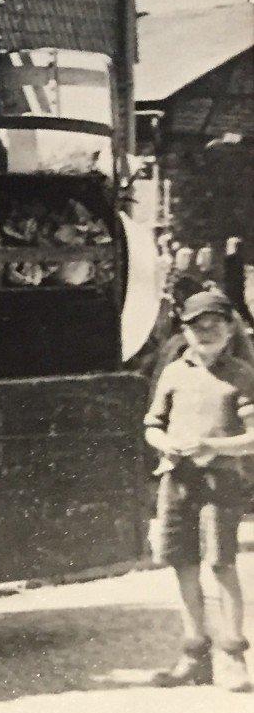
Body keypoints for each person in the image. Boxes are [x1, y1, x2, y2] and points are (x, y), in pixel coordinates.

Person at [143, 289, 254, 691]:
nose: (205, 333)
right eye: (196, 327)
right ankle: (194, 654)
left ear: (229, 328)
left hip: (221, 482)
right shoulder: (174, 372)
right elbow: (152, 424)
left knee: (221, 564)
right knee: (183, 564)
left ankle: (234, 655)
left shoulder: (242, 374)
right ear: (185, 331)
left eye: (214, 325)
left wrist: (212, 447)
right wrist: (163, 443)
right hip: (177, 480)